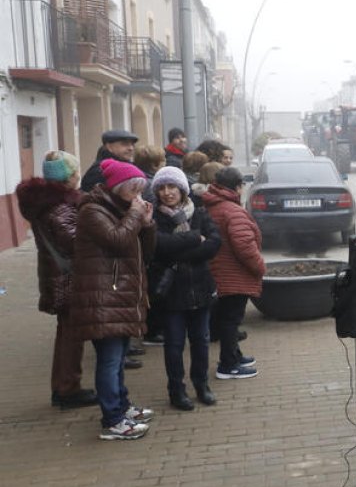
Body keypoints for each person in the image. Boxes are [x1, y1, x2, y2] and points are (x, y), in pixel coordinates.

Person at [72, 158, 156, 440]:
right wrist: (134, 217)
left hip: (119, 294)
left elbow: (143, 251)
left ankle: (122, 405)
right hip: (102, 296)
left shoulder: (120, 209)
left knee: (118, 359)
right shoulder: (92, 211)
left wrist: (147, 224)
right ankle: (112, 420)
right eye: (133, 190)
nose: (137, 197)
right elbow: (118, 241)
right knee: (109, 360)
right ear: (118, 188)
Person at [15, 151, 96, 410]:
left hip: (57, 276)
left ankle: (65, 386)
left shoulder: (45, 203)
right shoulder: (60, 207)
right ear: (66, 178)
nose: (78, 177)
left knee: (68, 334)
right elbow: (75, 242)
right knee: (71, 336)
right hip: (67, 279)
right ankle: (67, 388)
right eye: (74, 173)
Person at [148, 167, 221, 410]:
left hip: (200, 288)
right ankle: (176, 391)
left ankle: (201, 385)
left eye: (172, 187)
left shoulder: (198, 212)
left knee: (201, 341)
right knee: (174, 345)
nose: (167, 192)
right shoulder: (154, 218)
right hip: (172, 293)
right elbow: (159, 246)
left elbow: (213, 244)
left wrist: (179, 249)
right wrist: (193, 238)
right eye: (162, 188)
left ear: (182, 189)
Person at [203, 166, 263, 380]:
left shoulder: (213, 205)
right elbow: (244, 246)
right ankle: (228, 365)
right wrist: (259, 267)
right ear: (238, 187)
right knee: (230, 321)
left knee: (227, 319)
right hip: (233, 274)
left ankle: (235, 356)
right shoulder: (232, 210)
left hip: (219, 272)